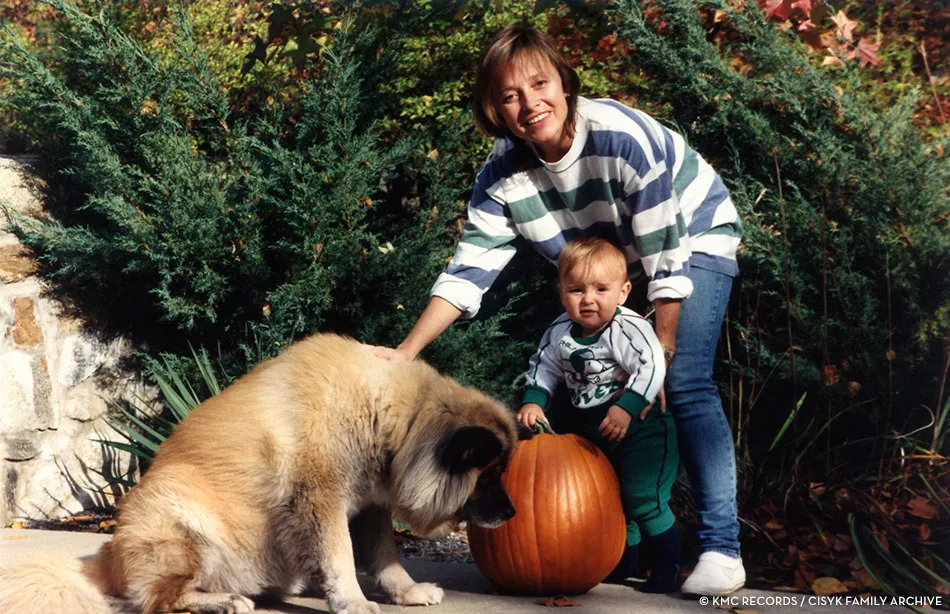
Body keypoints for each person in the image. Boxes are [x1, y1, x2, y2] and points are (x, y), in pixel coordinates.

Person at [373, 23, 745, 596]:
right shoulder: (500, 176)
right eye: (509, 96)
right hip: (599, 271)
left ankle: (722, 549)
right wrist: (406, 351)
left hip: (689, 238)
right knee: (588, 390)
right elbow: (471, 269)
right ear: (494, 109)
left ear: (564, 83)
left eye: (539, 84)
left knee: (685, 381)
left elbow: (665, 252)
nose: (529, 104)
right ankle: (622, 545)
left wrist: (662, 349)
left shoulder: (619, 136)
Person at [518, 235, 680, 592]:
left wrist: (628, 407)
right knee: (615, 499)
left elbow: (651, 365)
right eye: (576, 289)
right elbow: (543, 367)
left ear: (622, 293)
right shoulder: (559, 331)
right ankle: (626, 563)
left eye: (601, 289)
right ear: (560, 291)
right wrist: (534, 400)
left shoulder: (628, 327)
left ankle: (667, 568)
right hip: (598, 428)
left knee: (643, 497)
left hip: (642, 428)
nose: (588, 299)